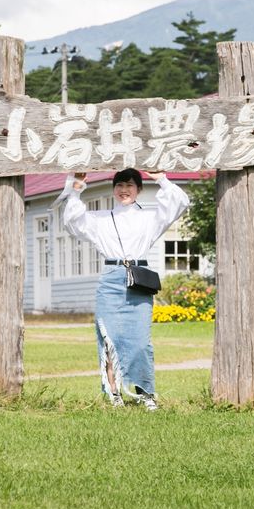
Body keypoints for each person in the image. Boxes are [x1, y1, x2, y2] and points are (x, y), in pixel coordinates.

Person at [62, 168, 189, 410]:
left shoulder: (150, 217)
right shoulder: (101, 218)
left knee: (141, 341)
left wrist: (161, 178)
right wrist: (76, 188)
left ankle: (145, 393)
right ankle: (114, 394)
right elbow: (72, 221)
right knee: (109, 338)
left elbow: (180, 203)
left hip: (139, 280)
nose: (124, 190)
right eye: (119, 185)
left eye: (130, 185)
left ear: (138, 189)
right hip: (111, 280)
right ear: (113, 189)